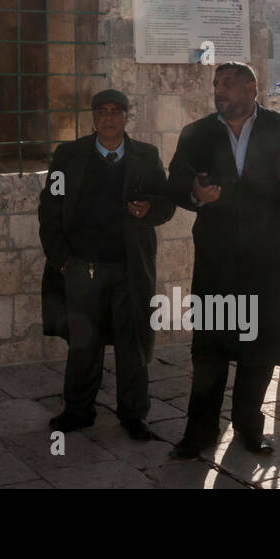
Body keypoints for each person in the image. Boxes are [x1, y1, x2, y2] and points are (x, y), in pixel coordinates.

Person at [165, 62, 280, 459]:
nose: (220, 90)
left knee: (260, 347)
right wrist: (198, 195)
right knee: (210, 349)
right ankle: (199, 432)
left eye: (229, 84)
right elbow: (176, 184)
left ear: (253, 88)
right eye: (217, 84)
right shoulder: (197, 133)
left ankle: (249, 427)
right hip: (218, 259)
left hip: (270, 260)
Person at [37, 89, 175, 436]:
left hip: (130, 267)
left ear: (126, 116)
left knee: (134, 344)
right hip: (83, 267)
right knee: (84, 343)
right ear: (93, 116)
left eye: (116, 111)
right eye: (102, 111)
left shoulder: (146, 156)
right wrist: (61, 259)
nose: (109, 117)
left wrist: (150, 209)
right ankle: (78, 409)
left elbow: (166, 203)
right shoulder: (69, 156)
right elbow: (50, 207)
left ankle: (134, 414)